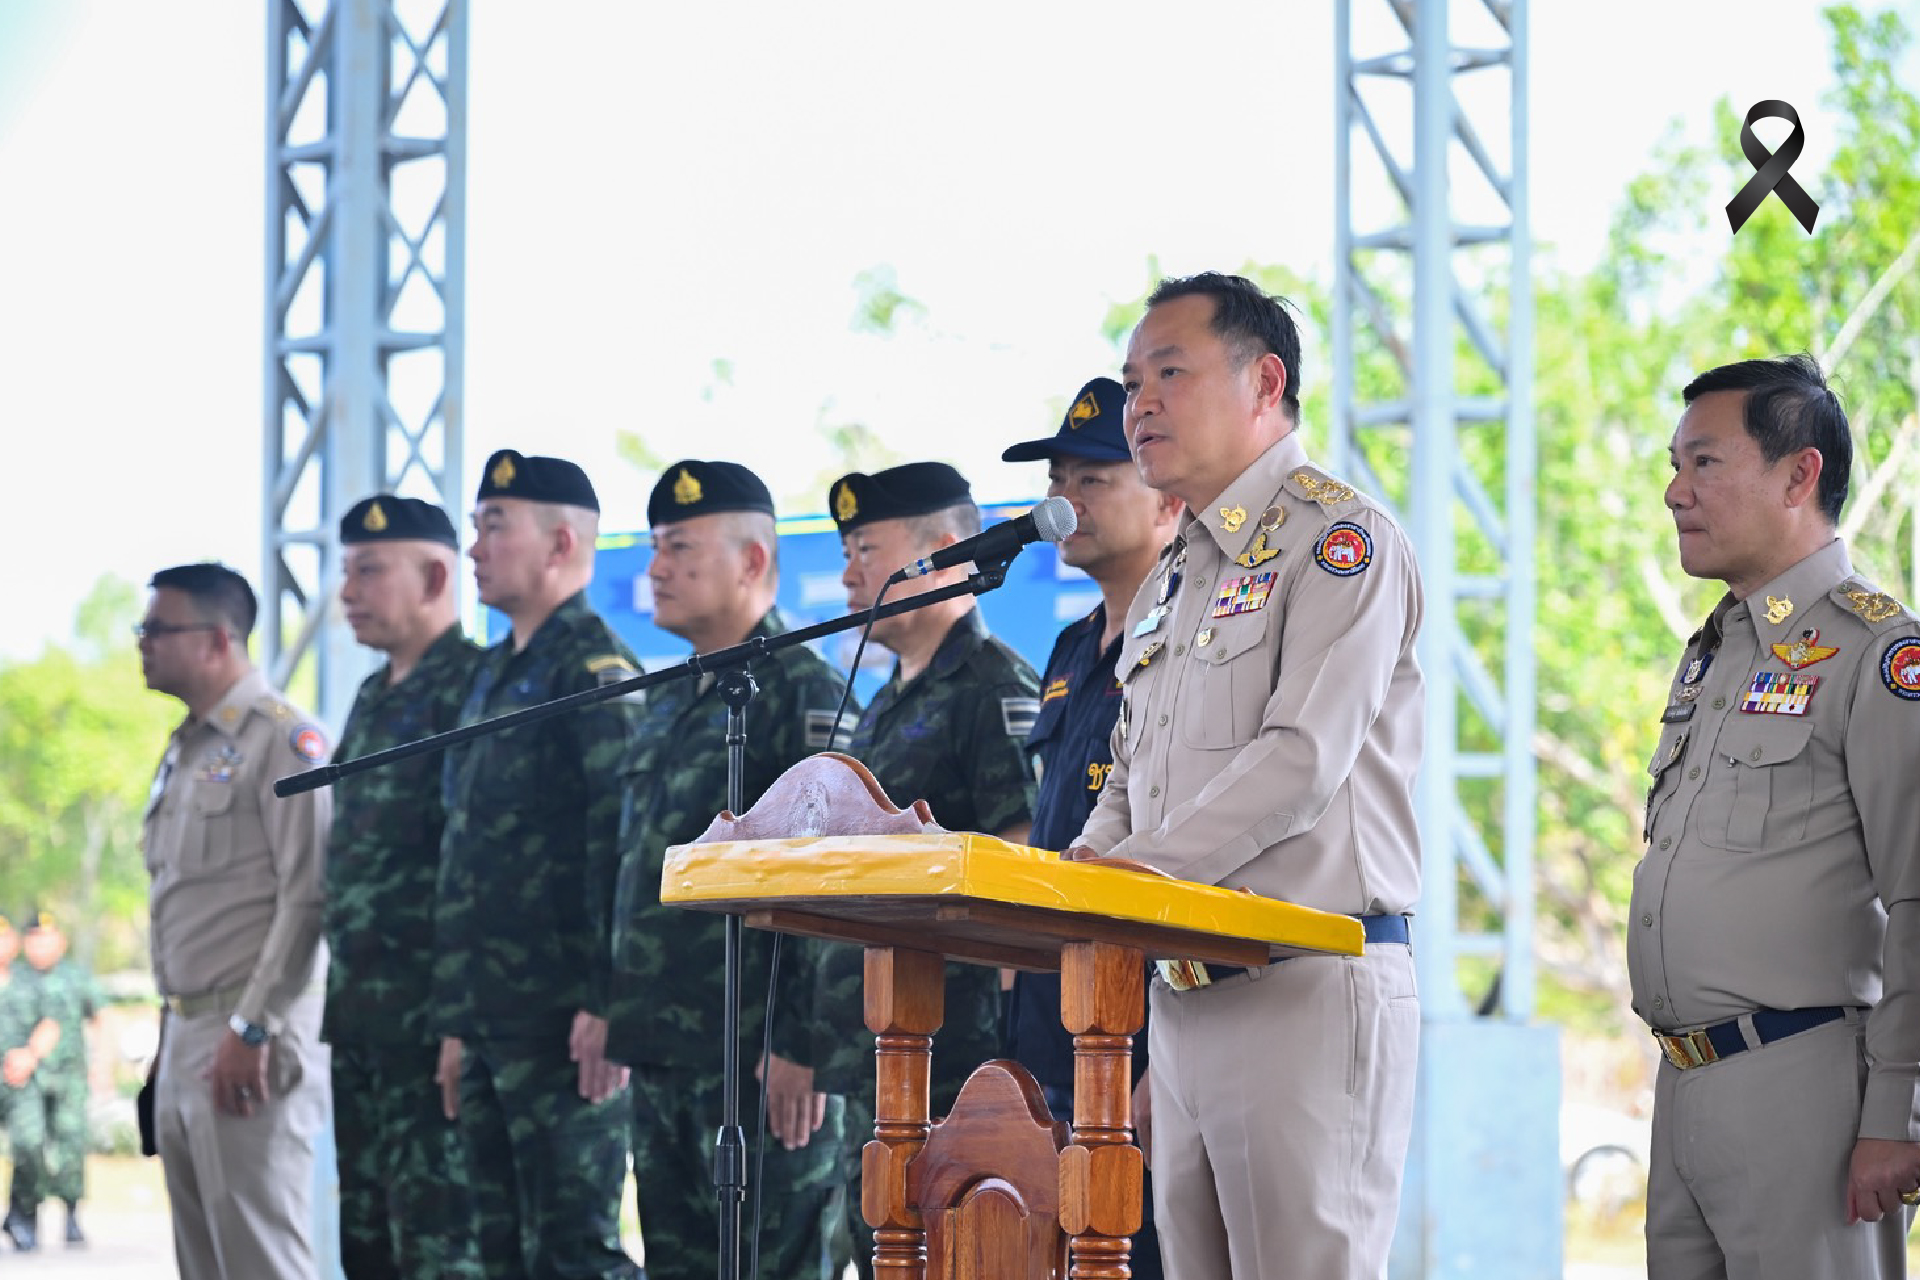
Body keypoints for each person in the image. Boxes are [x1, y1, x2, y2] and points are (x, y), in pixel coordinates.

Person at [1063, 272, 1424, 1280]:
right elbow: (1129, 776)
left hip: (1301, 987)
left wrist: (1130, 880)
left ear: (1264, 382)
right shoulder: (1175, 577)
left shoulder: (1341, 543)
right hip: (1181, 996)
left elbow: (1301, 758)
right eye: (1131, 381)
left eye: (1168, 373)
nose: (1139, 403)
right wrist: (1084, 872)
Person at [1633, 354, 1920, 1278]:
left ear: (1800, 474)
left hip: (1806, 1090)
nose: (1676, 491)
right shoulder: (1715, 651)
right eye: (1674, 466)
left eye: (1704, 463)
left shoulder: (1877, 650)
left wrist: (1898, 1114)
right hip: (1684, 1083)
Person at [606, 460, 854, 1280]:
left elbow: (834, 878)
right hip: (667, 1047)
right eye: (653, 549)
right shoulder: (673, 698)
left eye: (679, 547)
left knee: (769, 1266)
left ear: (751, 562)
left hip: (757, 1058)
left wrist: (800, 1042)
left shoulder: (802, 691)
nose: (655, 569)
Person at [820, 460, 1042, 1277]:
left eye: (866, 550)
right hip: (873, 1053)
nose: (848, 574)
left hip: (953, 1058)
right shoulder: (882, 698)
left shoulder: (990, 688)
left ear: (945, 552)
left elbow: (1023, 871)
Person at [433, 450, 644, 1280]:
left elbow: (620, 844)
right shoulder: (492, 674)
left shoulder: (594, 670)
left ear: (560, 543)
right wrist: (456, 1016)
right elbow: (464, 854)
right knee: (496, 1246)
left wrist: (605, 998)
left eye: (494, 526)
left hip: (563, 1023)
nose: (476, 548)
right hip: (487, 1016)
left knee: (571, 1251)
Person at [998, 376, 1182, 1279]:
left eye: (1093, 480)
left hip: (1146, 1026)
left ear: (1167, 496)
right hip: (1049, 1017)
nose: (1063, 503)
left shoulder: (1197, 639)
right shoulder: (1072, 650)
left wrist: (1170, 1063)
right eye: (1057, 481)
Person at [137, 561, 334, 1279]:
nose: (142, 642)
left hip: (249, 1038)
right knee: (206, 1266)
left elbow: (306, 897)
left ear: (218, 638)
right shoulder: (187, 746)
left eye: (159, 628)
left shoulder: (282, 739)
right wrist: (171, 1035)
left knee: (262, 1261)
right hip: (187, 1033)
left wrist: (251, 1027)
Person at [326, 495, 485, 1279]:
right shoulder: (370, 695)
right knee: (365, 1239)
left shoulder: (476, 687)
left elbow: (479, 865)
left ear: (433, 574)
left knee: (439, 1242)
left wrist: (459, 1016)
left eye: (367, 570)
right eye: (344, 570)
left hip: (432, 1023)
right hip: (361, 1017)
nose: (346, 591)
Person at [1, 912, 101, 1251]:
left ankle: (66, 1214)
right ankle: (22, 1213)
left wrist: (30, 1053)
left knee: (67, 1144)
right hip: (26, 1080)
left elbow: (57, 1023)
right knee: (30, 1145)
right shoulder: (18, 977)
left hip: (56, 1075)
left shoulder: (69, 977)